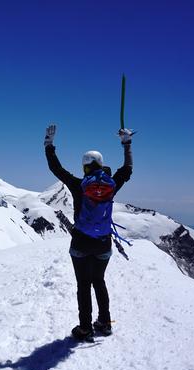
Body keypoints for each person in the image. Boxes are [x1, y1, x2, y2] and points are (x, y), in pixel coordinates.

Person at [44, 124, 133, 341]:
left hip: (81, 243)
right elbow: (127, 169)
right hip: (103, 243)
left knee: (83, 285)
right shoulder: (112, 185)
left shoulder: (79, 185)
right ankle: (104, 322)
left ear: (85, 167)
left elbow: (56, 169)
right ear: (101, 165)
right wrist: (126, 143)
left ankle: (85, 328)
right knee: (99, 281)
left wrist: (49, 143)